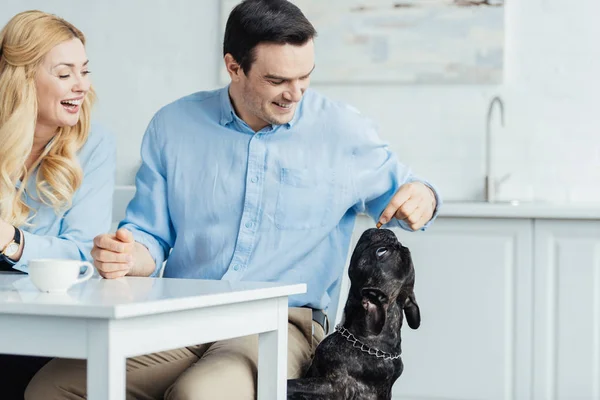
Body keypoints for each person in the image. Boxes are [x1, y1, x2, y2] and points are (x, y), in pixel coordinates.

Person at [26, 0, 441, 399]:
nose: (294, 94)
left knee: (199, 394)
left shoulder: (342, 131)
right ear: (233, 67)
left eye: (305, 77)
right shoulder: (173, 126)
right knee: (51, 388)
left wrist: (423, 197)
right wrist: (127, 255)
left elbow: (409, 194)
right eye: (277, 81)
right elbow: (150, 237)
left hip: (281, 324)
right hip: (178, 315)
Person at [0, 10, 116, 399]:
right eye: (65, 74)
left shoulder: (93, 146)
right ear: (23, 80)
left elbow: (83, 252)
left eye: (84, 71)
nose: (81, 86)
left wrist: (13, 241)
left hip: (50, 328)